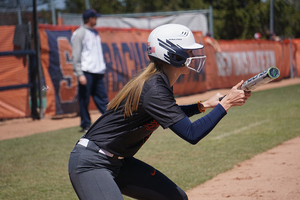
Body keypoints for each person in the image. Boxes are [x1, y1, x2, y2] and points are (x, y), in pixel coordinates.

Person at [68, 24, 251, 200]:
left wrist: (204, 105)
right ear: (172, 55)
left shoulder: (158, 82)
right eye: (188, 52)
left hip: (119, 162)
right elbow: (191, 133)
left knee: (175, 197)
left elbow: (171, 113)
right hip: (92, 163)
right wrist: (226, 104)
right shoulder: (155, 88)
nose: (193, 55)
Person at [71, 9, 108, 133]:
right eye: (95, 17)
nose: (96, 20)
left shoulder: (95, 33)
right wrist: (79, 73)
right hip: (86, 71)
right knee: (84, 99)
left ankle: (109, 122)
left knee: (103, 99)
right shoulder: (79, 33)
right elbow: (75, 55)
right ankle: (86, 124)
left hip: (97, 72)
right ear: (90, 19)